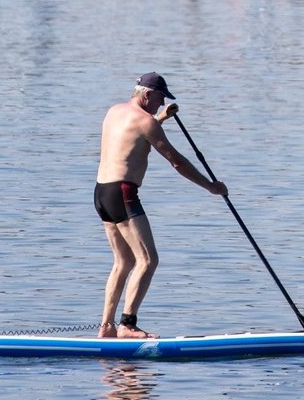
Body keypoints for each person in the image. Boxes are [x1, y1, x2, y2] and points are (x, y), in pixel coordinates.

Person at [94, 71, 226, 339]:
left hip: (101, 194)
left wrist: (162, 117)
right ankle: (127, 325)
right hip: (124, 192)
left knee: (123, 261)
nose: (160, 103)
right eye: (159, 99)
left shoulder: (114, 111)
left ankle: (106, 326)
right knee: (148, 259)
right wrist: (211, 187)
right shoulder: (147, 122)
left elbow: (134, 133)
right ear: (146, 94)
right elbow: (177, 162)